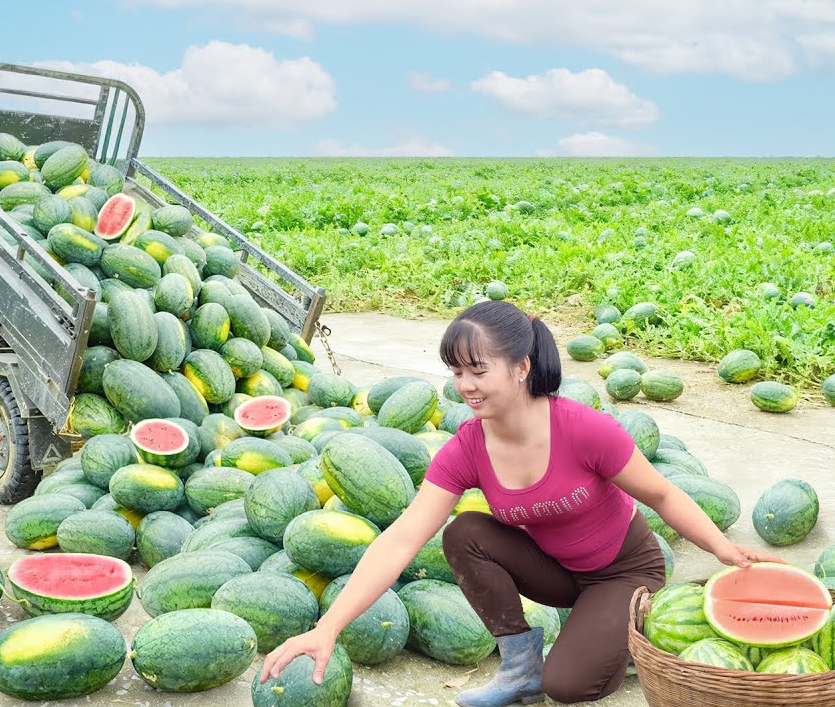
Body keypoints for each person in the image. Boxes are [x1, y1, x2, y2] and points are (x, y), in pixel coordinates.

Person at [261, 300, 782, 705]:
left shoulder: (583, 430)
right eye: (456, 371)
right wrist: (327, 628)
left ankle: (626, 630)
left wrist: (723, 549)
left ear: (520, 367)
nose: (464, 385)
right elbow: (401, 538)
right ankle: (519, 663)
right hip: (555, 572)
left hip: (623, 571)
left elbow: (664, 493)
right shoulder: (468, 446)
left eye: (477, 370)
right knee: (463, 533)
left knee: (570, 684)